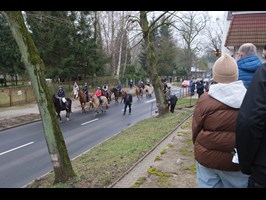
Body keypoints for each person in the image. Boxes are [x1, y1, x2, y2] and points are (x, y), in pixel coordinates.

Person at [192, 54, 249, 188]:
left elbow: (196, 129)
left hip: (207, 158)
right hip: (238, 160)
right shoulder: (249, 98)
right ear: (236, 74)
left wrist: (201, 146)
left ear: (215, 76)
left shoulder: (205, 100)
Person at [236, 44, 266, 188]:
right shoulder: (260, 69)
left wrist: (246, 163)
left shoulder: (263, 72)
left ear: (240, 55)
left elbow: (250, 121)